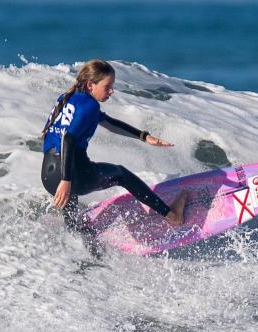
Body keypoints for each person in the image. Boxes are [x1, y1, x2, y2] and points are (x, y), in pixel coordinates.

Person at [40, 59, 187, 231]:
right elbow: (69, 138)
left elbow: (109, 123)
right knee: (121, 174)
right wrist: (66, 180)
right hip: (71, 175)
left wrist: (144, 137)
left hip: (48, 176)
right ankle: (172, 216)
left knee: (73, 220)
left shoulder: (68, 98)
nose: (111, 91)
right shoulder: (90, 105)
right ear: (90, 85)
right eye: (108, 86)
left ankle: (81, 244)